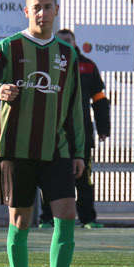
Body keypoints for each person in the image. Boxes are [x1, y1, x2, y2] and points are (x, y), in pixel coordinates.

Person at [0, 0, 86, 267]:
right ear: (27, 11)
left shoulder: (68, 54)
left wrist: (79, 152)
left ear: (56, 10)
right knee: (21, 222)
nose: (42, 12)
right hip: (16, 149)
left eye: (47, 6)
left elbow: (75, 106)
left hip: (57, 150)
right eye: (36, 7)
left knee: (66, 215)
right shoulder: (8, 48)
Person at [38, 29, 110, 229]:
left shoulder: (87, 66)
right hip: (53, 134)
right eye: (60, 41)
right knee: (50, 177)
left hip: (82, 134)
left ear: (75, 43)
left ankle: (88, 219)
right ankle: (47, 218)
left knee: (84, 178)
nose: (64, 45)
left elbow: (99, 99)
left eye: (68, 41)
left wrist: (103, 128)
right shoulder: (46, 64)